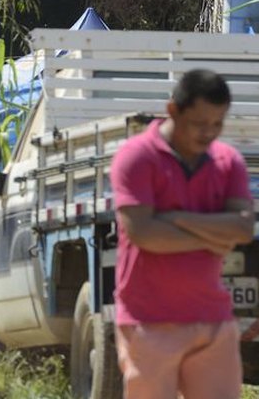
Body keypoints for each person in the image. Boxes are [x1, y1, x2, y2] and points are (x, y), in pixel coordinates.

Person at [109, 69, 254, 399]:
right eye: (200, 123)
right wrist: (217, 235)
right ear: (173, 110)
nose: (209, 133)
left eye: (218, 124)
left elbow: (243, 228)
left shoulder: (228, 161)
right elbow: (144, 233)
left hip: (213, 323)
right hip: (148, 321)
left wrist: (175, 218)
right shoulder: (136, 157)